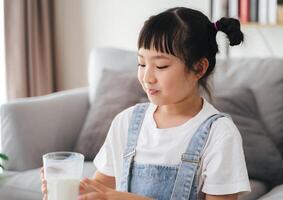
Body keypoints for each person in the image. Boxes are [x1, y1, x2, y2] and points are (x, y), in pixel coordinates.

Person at [41, 7, 251, 200]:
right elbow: (99, 188)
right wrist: (74, 191)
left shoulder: (219, 134)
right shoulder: (127, 122)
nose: (147, 77)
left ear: (198, 68)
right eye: (141, 63)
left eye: (160, 66)